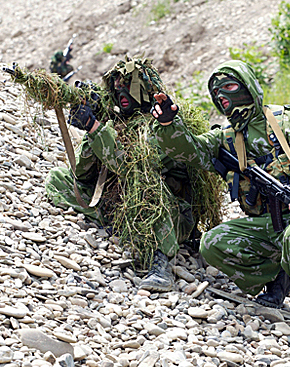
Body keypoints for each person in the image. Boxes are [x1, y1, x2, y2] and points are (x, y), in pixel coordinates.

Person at [151, 60, 290, 361]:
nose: (223, 97)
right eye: (217, 93)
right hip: (268, 223)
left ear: (249, 87)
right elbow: (190, 151)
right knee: (212, 244)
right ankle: (280, 276)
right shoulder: (227, 136)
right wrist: (167, 125)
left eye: (229, 87)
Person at [45, 57, 204, 292]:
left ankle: (160, 263)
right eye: (116, 85)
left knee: (150, 194)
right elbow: (82, 174)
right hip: (121, 201)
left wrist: (95, 127)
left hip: (168, 213)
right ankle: (119, 224)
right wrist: (94, 126)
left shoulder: (163, 124)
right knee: (60, 178)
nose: (120, 91)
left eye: (127, 84)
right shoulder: (118, 122)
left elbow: (133, 167)